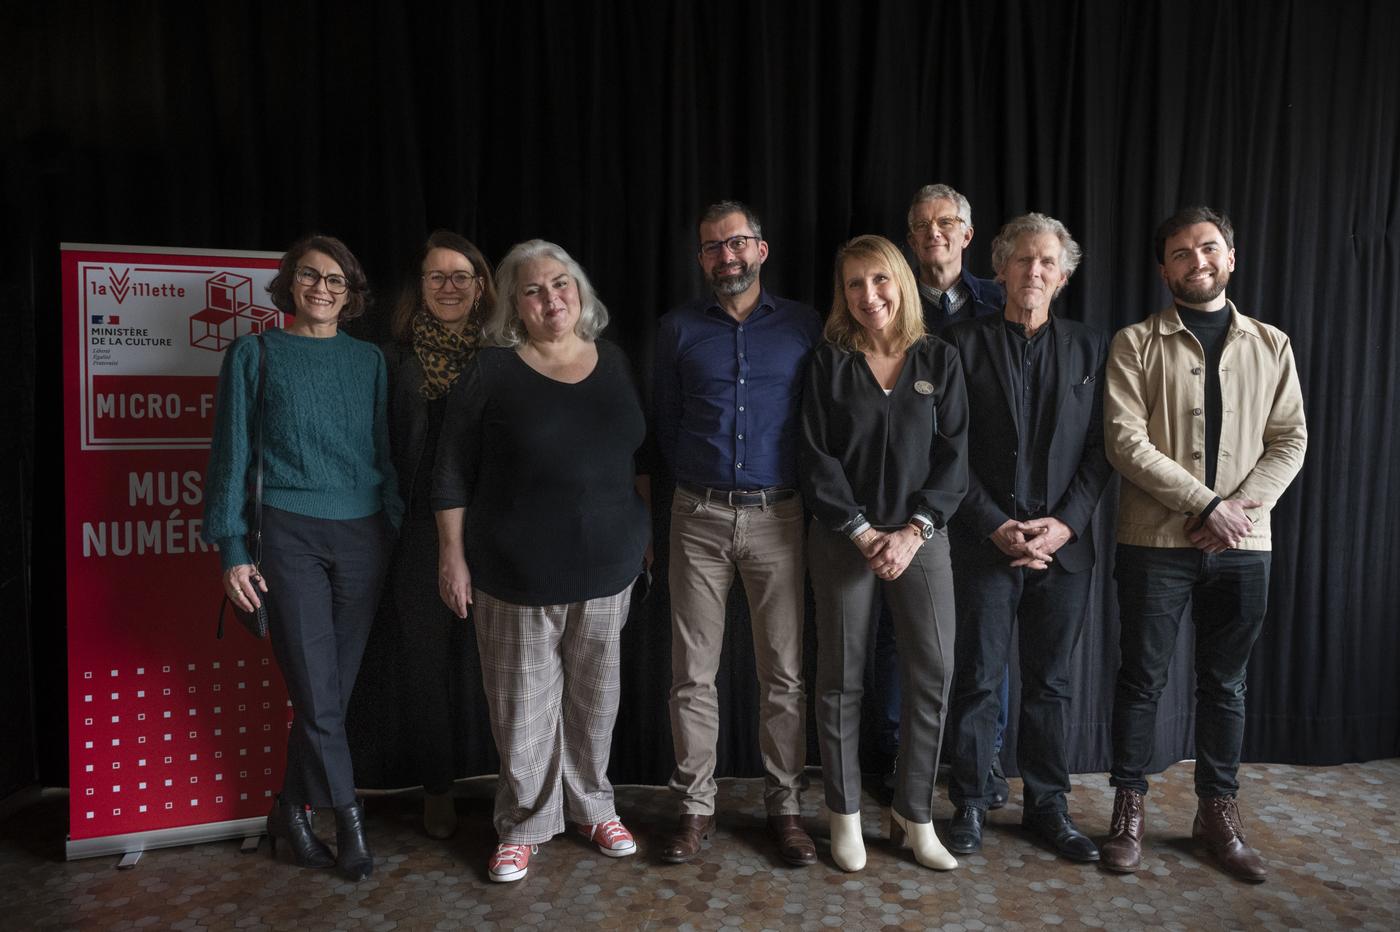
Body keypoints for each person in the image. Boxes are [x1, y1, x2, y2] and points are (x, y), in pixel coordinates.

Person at [433, 239, 650, 883]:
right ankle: (524, 824)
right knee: (522, 708)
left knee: (596, 701)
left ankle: (592, 807)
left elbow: (634, 455)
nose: (551, 299)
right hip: (515, 573)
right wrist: (452, 557)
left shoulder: (612, 360)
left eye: (561, 284)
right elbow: (449, 472)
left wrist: (642, 533)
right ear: (514, 306)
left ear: (579, 291)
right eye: (533, 290)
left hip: (609, 571)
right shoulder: (491, 370)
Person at [1101, 207, 1307, 881]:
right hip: (1153, 541)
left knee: (1226, 683)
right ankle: (1127, 809)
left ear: (1231, 257)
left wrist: (1238, 515)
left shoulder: (1271, 344)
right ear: (1164, 269)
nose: (1198, 262)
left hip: (1245, 547)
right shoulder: (1135, 343)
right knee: (1142, 680)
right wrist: (1207, 506)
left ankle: (1217, 812)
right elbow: (1125, 442)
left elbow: (1290, 440)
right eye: (1182, 254)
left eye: (1209, 249)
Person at [204, 234, 402, 882]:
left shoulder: (369, 360)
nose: (323, 288)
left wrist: (393, 526)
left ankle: (288, 809)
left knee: (331, 695)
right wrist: (232, 549)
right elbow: (230, 458)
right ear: (290, 284)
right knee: (318, 695)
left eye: (337, 280)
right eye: (312, 276)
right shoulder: (254, 354)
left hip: (364, 536)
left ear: (352, 295)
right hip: (288, 536)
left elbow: (381, 453)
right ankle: (346, 820)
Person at [653, 200, 822, 866]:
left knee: (783, 674)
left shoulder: (805, 325)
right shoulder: (676, 330)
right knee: (691, 676)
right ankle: (696, 808)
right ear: (701, 259)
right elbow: (666, 425)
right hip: (696, 516)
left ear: (762, 248)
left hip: (781, 517)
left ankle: (784, 808)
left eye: (737, 243)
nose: (726, 256)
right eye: (712, 248)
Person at [941, 213, 1112, 862]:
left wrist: (1064, 524)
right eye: (1022, 260)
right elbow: (947, 451)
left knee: (1051, 686)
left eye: (1046, 263)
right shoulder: (959, 344)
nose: (1033, 271)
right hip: (984, 544)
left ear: (1062, 277)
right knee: (980, 680)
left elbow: (1104, 451)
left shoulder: (1093, 349)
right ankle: (970, 805)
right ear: (1000, 268)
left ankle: (1048, 808)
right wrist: (996, 525)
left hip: (1063, 551)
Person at [800, 234, 968, 872]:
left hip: (922, 538)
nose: (869, 296)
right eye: (853, 285)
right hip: (847, 540)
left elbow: (955, 459)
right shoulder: (829, 363)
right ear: (842, 295)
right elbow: (814, 459)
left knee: (934, 672)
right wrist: (864, 532)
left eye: (880, 280)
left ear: (901, 281)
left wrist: (913, 531)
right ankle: (844, 818)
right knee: (840, 680)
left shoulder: (939, 360)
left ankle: (913, 814)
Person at [870, 184, 1010, 807]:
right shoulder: (890, 306)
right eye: (922, 224)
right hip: (905, 496)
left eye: (947, 222)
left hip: (982, 498)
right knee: (902, 638)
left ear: (968, 235)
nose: (935, 233)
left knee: (984, 637)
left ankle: (982, 764)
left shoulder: (1001, 303)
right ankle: (905, 759)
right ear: (909, 237)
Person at [380, 231, 496, 839]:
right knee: (426, 666)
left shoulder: (505, 355)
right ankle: (437, 788)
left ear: (481, 288)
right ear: (419, 289)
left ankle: (521, 789)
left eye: (461, 276)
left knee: (505, 667)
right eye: (436, 277)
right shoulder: (394, 360)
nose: (449, 287)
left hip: (496, 528)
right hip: (419, 532)